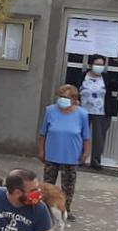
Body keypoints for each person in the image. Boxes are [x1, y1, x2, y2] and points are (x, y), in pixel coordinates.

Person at [38, 84, 91, 220]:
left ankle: (65, 209)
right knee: (48, 184)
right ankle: (45, 208)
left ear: (74, 99)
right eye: (60, 96)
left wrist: (85, 153)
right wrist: (41, 150)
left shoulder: (82, 114)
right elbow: (43, 133)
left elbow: (86, 136)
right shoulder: (50, 111)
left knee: (68, 185)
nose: (62, 99)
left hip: (71, 155)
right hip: (52, 153)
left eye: (66, 97)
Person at [80, 54, 118, 171]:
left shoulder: (106, 77)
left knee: (99, 138)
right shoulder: (83, 76)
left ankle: (95, 161)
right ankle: (79, 158)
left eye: (101, 65)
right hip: (83, 112)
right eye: (97, 64)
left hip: (101, 112)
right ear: (91, 65)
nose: (99, 67)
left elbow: (116, 86)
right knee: (81, 136)